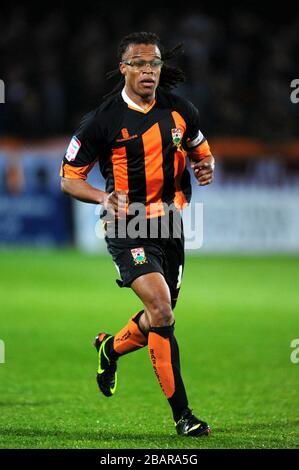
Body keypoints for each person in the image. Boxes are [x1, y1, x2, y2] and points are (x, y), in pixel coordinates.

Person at [60, 32, 215, 437]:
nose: (149, 71)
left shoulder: (181, 110)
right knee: (163, 311)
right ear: (124, 68)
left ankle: (109, 349)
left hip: (171, 223)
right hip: (127, 225)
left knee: (158, 318)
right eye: (141, 64)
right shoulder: (102, 120)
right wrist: (101, 197)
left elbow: (201, 149)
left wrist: (206, 166)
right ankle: (183, 416)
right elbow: (69, 179)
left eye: (155, 63)